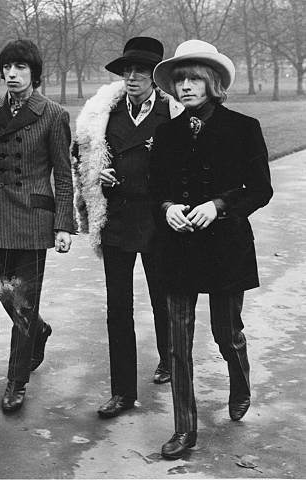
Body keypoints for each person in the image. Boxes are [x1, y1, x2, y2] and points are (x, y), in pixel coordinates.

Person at [150, 39, 273, 459]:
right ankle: (184, 428)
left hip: (225, 247)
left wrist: (218, 205)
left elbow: (260, 189)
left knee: (226, 333)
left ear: (213, 82)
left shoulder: (243, 127)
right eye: (179, 79)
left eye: (194, 79)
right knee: (177, 343)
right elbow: (155, 189)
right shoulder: (165, 133)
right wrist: (166, 208)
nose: (185, 86)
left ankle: (240, 383)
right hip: (178, 248)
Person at [73, 37, 183, 419]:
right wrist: (97, 174)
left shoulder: (173, 113)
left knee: (163, 300)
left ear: (155, 76)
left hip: (158, 223)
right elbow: (81, 156)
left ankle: (169, 359)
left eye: (141, 70)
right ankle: (122, 392)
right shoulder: (103, 115)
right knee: (118, 309)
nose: (132, 77)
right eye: (127, 70)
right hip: (117, 221)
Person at [0, 39, 75, 413]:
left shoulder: (53, 114)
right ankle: (39, 330)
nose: (12, 74)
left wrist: (64, 225)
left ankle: (16, 381)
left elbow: (63, 175)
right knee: (1, 286)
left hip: (33, 220)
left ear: (34, 73)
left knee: (25, 301)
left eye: (21, 68)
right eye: (7, 67)